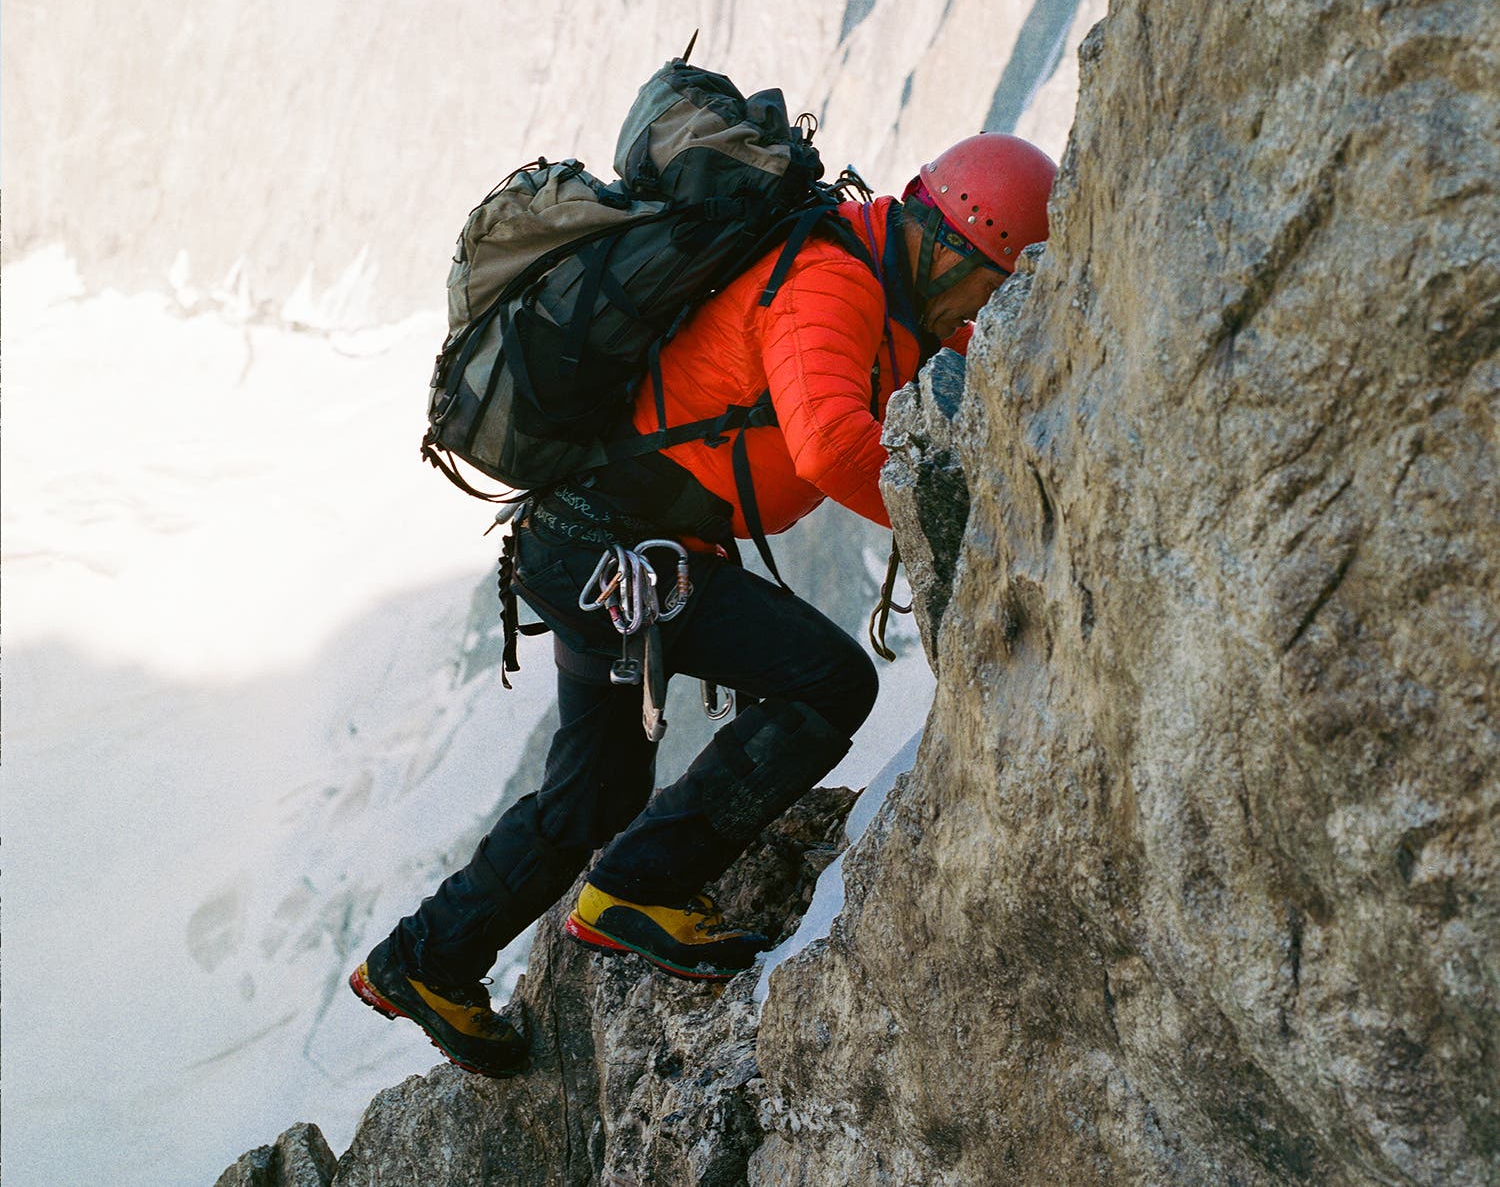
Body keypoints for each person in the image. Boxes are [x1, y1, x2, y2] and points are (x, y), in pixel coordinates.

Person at [349, 133, 1057, 1076]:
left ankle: (425, 961)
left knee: (597, 789)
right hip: (623, 551)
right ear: (954, 245)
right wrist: (963, 513)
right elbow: (828, 447)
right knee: (828, 682)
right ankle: (641, 890)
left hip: (595, 545)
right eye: (993, 282)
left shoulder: (902, 295)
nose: (986, 307)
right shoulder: (832, 279)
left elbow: (984, 359)